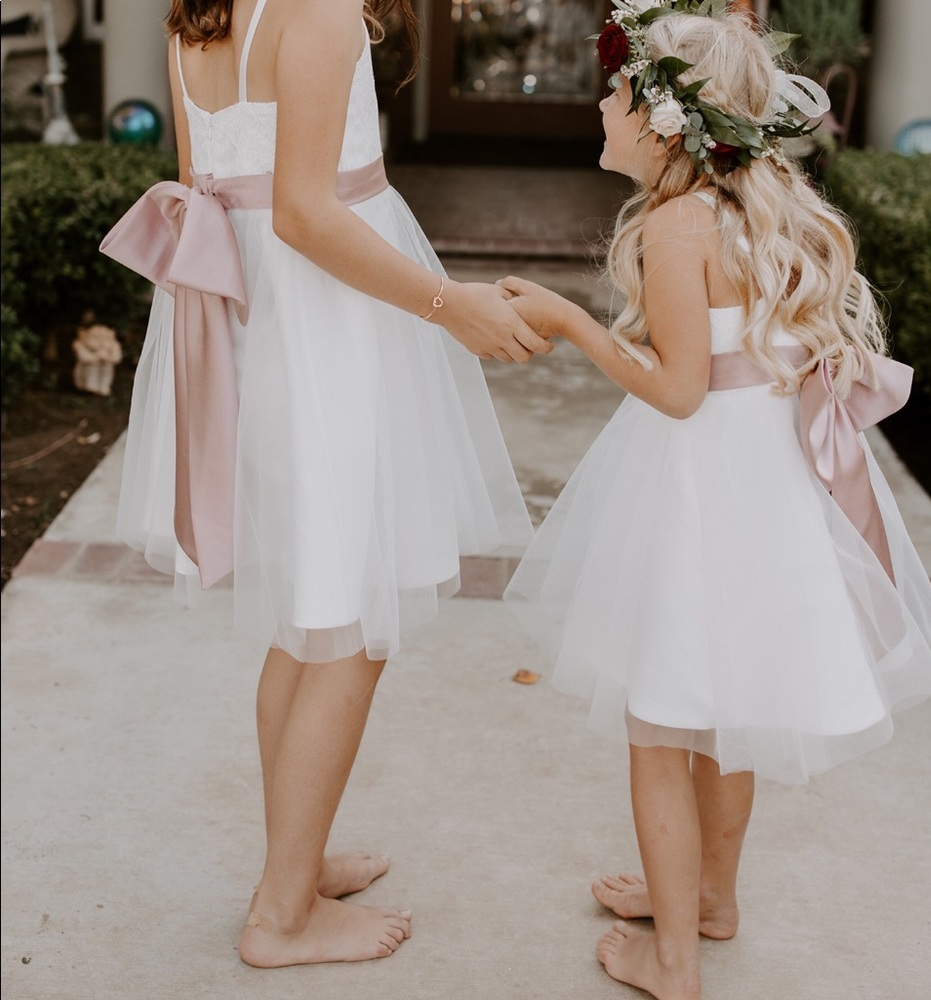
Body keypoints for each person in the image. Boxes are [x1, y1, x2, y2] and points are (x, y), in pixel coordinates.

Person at [500, 5, 931, 999]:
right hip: (765, 486)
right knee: (728, 710)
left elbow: (676, 389)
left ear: (665, 121)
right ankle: (709, 900)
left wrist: (571, 318)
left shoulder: (674, 225)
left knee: (660, 726)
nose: (601, 101)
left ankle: (671, 964)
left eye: (619, 88)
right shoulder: (759, 206)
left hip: (700, 486)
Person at [100, 0, 552, 970]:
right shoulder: (317, 12)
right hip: (327, 330)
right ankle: (281, 916)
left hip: (261, 327)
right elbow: (305, 211)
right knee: (350, 629)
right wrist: (449, 304)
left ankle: (291, 862)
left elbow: (204, 186)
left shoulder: (196, 17)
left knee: (307, 621)